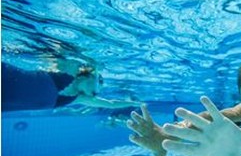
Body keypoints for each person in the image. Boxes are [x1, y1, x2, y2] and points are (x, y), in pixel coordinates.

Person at [1, 62, 140, 111]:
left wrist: (134, 103)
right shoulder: (69, 72)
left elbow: (111, 104)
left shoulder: (77, 98)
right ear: (91, 77)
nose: (97, 91)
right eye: (100, 83)